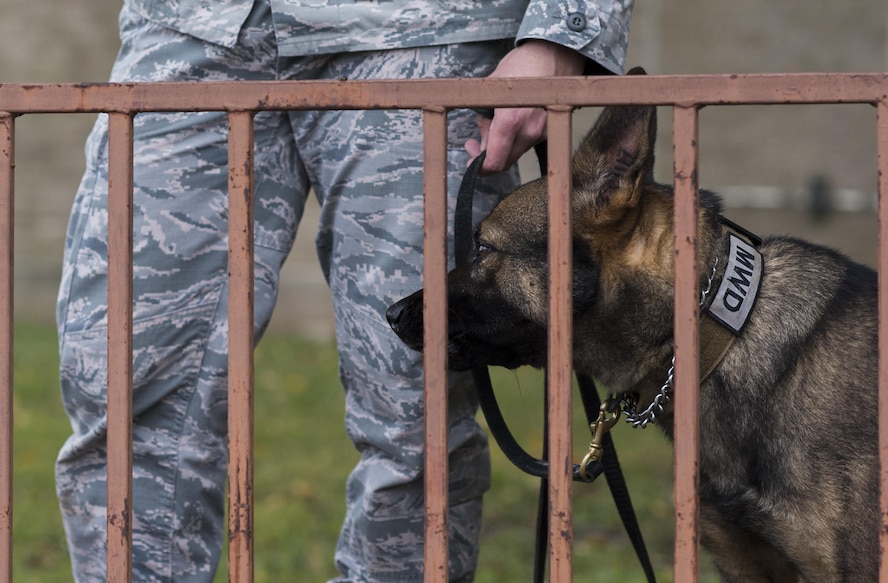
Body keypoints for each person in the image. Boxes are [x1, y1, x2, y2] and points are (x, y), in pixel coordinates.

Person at [54, 0, 634, 580]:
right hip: (194, 31)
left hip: (421, 33)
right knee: (122, 392)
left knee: (415, 414)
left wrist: (563, 33)